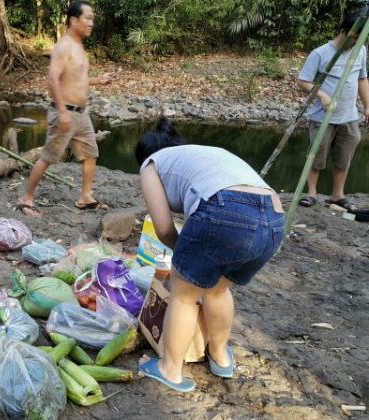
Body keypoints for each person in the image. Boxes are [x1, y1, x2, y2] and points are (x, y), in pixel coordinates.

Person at [135, 118, 285, 392]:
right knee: (216, 289)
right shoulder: (202, 154)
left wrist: (184, 266)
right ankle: (220, 355)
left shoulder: (151, 165)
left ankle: (170, 369)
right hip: (273, 219)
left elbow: (165, 229)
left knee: (184, 295)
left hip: (225, 211)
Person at [17, 1, 113, 217]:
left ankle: (85, 197)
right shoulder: (64, 46)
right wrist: (62, 111)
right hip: (65, 112)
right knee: (49, 157)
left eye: (92, 19)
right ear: (73, 20)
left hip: (81, 113)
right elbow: (52, 79)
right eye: (87, 18)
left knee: (90, 153)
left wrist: (100, 80)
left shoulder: (79, 46)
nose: (91, 23)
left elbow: (77, 79)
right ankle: (27, 199)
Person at [296, 10, 369, 211]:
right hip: (323, 116)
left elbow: (362, 78)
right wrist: (322, 95)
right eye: (354, 38)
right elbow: (303, 80)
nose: (355, 43)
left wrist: (367, 106)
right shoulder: (320, 53)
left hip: (349, 116)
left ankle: (338, 195)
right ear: (343, 32)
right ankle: (311, 193)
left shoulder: (360, 50)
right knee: (316, 155)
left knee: (344, 156)